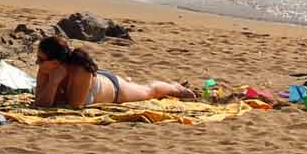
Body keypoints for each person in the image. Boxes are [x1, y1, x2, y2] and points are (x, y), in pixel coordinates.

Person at [32, 33, 193, 107]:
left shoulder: (80, 71)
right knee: (138, 87)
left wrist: (53, 86)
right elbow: (40, 103)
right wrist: (53, 83)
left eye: (41, 59)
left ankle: (176, 88)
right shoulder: (46, 69)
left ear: (55, 62)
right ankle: (129, 81)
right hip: (99, 82)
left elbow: (75, 105)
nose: (37, 62)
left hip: (115, 89)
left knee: (149, 91)